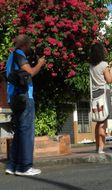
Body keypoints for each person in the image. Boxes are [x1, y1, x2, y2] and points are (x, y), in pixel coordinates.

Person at [5, 35, 46, 176]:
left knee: (19, 132)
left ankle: (12, 165)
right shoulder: (20, 54)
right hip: (24, 97)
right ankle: (25, 167)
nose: (30, 48)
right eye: (29, 45)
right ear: (25, 45)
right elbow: (30, 73)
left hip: (13, 97)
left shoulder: (11, 56)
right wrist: (40, 63)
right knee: (27, 132)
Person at [89, 42, 112, 154]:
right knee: (103, 120)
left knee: (98, 120)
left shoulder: (91, 66)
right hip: (104, 93)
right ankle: (101, 148)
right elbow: (109, 79)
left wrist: (107, 68)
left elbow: (99, 75)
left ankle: (98, 147)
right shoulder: (104, 64)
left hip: (95, 93)